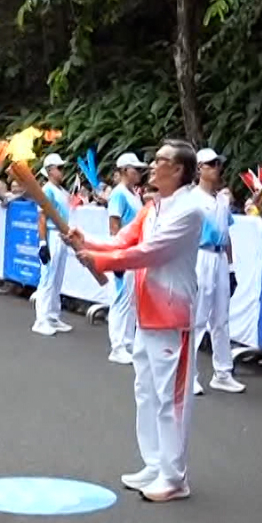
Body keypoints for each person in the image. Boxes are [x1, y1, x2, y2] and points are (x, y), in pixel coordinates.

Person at [64, 139, 203, 503]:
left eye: (160, 161)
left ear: (179, 170)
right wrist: (87, 241)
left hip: (172, 315)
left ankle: (174, 477)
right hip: (145, 313)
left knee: (170, 398)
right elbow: (124, 239)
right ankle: (154, 462)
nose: (152, 166)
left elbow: (149, 253)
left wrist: (99, 260)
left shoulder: (190, 211)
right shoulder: (152, 207)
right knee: (146, 391)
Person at [191, 148, 245, 395]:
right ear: (199, 168)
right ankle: (188, 374)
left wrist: (232, 268)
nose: (216, 168)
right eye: (211, 164)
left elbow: (228, 234)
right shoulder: (191, 199)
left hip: (220, 257)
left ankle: (223, 372)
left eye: (217, 164)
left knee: (221, 317)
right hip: (200, 256)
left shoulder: (222, 201)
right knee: (198, 317)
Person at [106, 152, 145, 364]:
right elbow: (114, 226)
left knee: (131, 300)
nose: (139, 173)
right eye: (135, 169)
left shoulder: (134, 194)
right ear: (123, 171)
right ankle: (117, 345)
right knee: (121, 298)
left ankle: (128, 341)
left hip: (135, 252)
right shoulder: (118, 194)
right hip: (124, 252)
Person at [32, 153, 72, 337]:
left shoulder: (62, 192)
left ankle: (53, 316)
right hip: (51, 236)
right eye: (59, 168)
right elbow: (41, 217)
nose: (63, 171)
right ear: (49, 171)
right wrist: (42, 243)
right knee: (47, 278)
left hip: (62, 237)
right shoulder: (46, 190)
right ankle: (41, 320)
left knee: (57, 279)